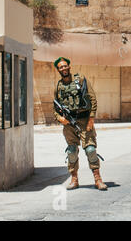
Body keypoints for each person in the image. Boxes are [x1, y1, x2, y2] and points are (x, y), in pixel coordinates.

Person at [53, 57, 107, 191]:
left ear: (69, 67)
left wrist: (91, 119)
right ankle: (74, 179)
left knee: (90, 150)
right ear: (58, 70)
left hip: (84, 121)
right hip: (69, 124)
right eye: (61, 67)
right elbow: (55, 107)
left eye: (65, 66)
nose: (63, 69)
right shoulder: (59, 86)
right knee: (71, 151)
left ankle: (98, 179)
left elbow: (92, 99)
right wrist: (60, 118)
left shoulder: (81, 80)